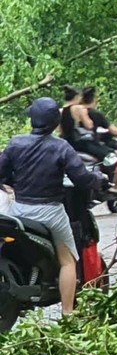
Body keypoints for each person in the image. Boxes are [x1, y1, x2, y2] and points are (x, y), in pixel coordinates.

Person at [0, 98, 109, 313]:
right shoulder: (61, 147)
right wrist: (97, 178)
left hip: (19, 211)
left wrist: (13, 183)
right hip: (50, 212)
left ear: (32, 119)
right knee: (68, 260)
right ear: (54, 122)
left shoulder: (16, 144)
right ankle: (68, 314)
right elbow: (81, 178)